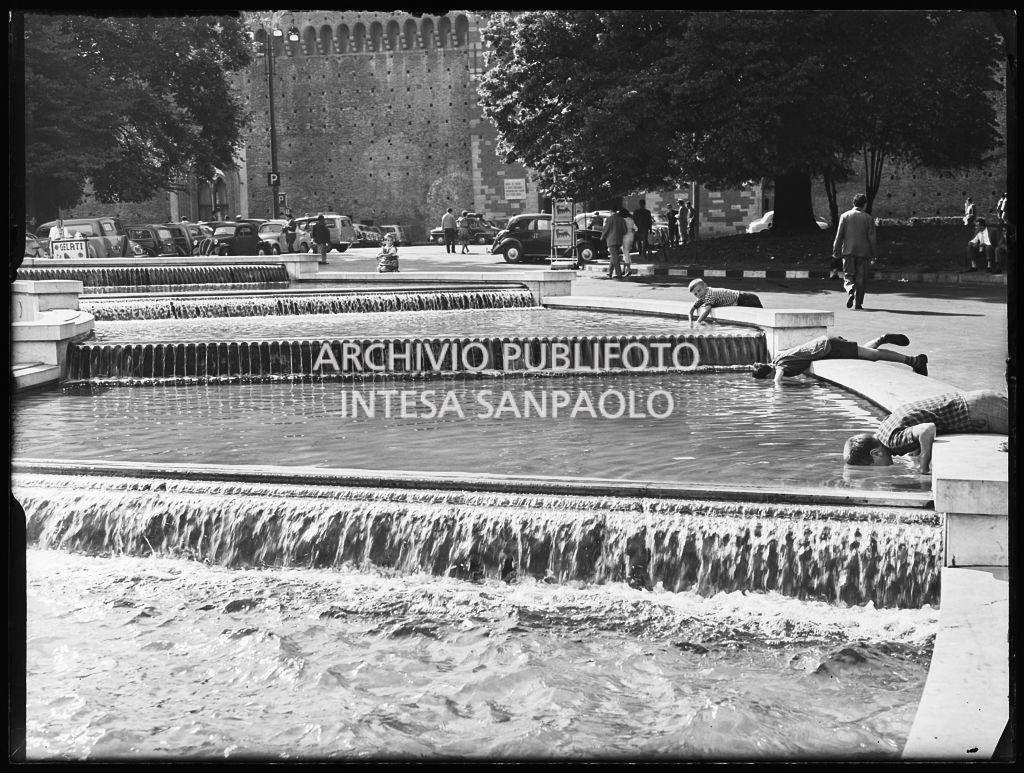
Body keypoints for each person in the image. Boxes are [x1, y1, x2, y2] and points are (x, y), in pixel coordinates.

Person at [843, 390, 1008, 475]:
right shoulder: (883, 429)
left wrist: (923, 467)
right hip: (974, 401)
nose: (877, 471)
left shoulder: (893, 442)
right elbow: (911, 423)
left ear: (876, 453)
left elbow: (927, 429)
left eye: (873, 467)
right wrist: (916, 449)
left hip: (979, 412)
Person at [751, 332, 928, 385]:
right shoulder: (777, 358)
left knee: (873, 356)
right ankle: (880, 340)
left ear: (767, 375)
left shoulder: (779, 366)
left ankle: (914, 360)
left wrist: (775, 394)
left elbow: (777, 381)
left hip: (829, 346)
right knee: (864, 355)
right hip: (824, 345)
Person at [833, 192, 876, 310]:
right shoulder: (869, 218)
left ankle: (850, 290)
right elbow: (872, 238)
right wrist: (873, 253)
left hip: (848, 251)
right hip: (864, 252)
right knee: (861, 278)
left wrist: (836, 251)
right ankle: (858, 303)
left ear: (853, 203)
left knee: (848, 275)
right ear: (864, 205)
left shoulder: (845, 216)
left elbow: (839, 236)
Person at [687, 278, 762, 326]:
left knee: (760, 316)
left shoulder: (709, 293)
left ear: (705, 286)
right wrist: (690, 323)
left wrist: (697, 322)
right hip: (739, 300)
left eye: (699, 290)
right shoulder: (701, 297)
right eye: (695, 294)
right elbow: (691, 311)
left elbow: (707, 310)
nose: (698, 294)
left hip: (744, 298)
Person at [600, 209, 628, 280]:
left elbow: (606, 229)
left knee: (615, 257)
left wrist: (602, 237)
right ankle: (609, 273)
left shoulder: (609, 219)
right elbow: (625, 231)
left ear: (611, 212)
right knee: (613, 256)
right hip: (619, 240)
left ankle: (618, 274)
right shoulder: (621, 219)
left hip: (611, 240)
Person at [620, 207, 636, 277]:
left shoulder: (622, 220)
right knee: (626, 253)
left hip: (625, 237)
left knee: (626, 253)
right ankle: (624, 269)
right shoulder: (631, 220)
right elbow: (636, 228)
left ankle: (629, 269)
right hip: (631, 236)